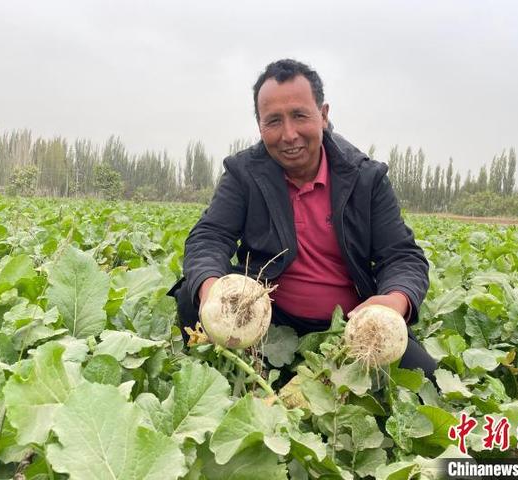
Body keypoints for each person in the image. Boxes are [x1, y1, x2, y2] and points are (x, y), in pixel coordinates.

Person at [168, 59, 437, 379]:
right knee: (191, 293)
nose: (289, 134)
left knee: (428, 384)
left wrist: (396, 300)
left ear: (323, 115)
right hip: (265, 321)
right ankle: (235, 374)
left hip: (351, 327)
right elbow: (210, 236)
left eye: (299, 116)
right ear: (259, 126)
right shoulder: (244, 173)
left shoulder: (366, 177)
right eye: (274, 121)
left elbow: (402, 256)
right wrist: (212, 291)